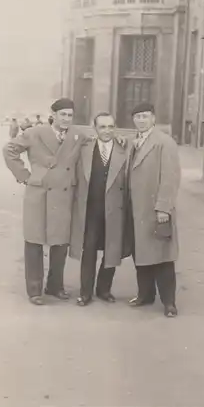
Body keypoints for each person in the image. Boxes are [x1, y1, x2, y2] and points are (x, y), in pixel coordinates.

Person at [3, 98, 87, 306]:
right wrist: (24, 175)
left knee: (60, 243)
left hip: (64, 195)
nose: (66, 119)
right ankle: (34, 290)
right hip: (39, 194)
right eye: (63, 115)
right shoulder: (35, 132)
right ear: (54, 114)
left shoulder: (77, 135)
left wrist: (119, 140)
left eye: (70, 115)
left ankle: (55, 286)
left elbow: (101, 141)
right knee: (34, 242)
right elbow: (9, 150)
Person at [124, 102, 181, 318]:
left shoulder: (164, 143)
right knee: (142, 254)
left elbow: (170, 177)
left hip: (156, 209)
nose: (141, 120)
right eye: (137, 117)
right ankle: (145, 295)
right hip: (137, 209)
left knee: (163, 257)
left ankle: (169, 302)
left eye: (145, 116)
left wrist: (164, 208)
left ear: (154, 119)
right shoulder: (133, 142)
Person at [69, 112, 127, 306]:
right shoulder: (85, 148)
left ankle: (104, 289)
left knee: (111, 249)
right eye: (102, 127)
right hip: (90, 209)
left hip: (114, 209)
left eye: (111, 127)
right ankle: (85, 292)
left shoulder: (124, 149)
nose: (107, 131)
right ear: (95, 129)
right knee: (89, 250)